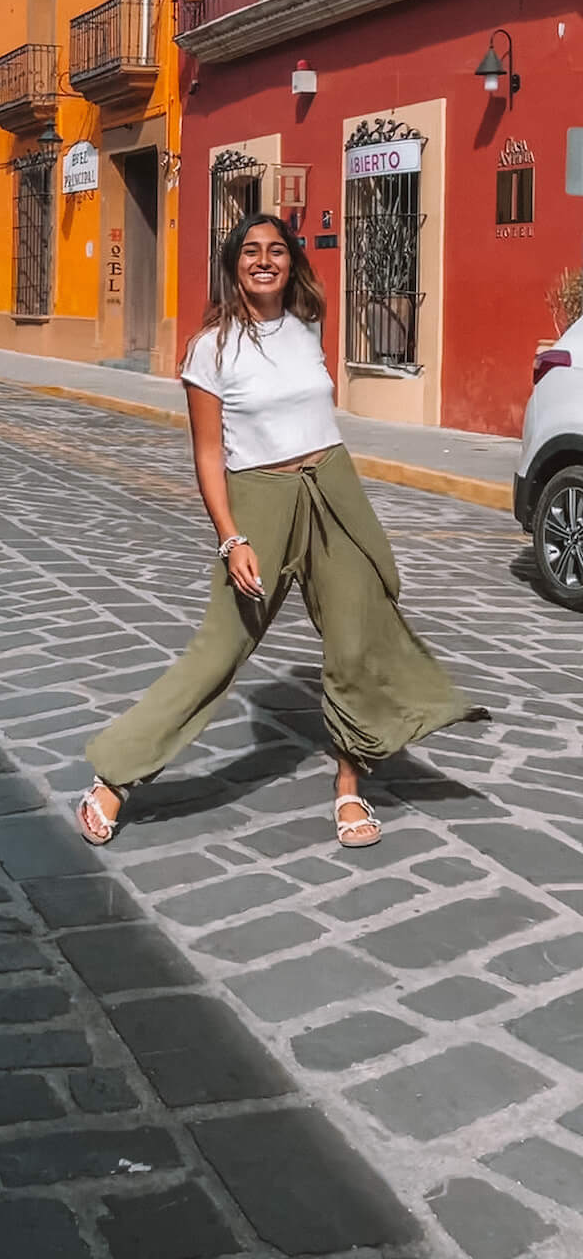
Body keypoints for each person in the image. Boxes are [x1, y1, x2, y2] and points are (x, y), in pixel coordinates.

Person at [77, 212, 479, 851]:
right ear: (233, 265)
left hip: (333, 485)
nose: (265, 260)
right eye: (251, 252)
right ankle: (116, 773)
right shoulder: (210, 349)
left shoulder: (307, 328)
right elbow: (208, 455)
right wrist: (231, 537)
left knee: (353, 640)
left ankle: (350, 785)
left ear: (292, 263)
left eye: (277, 251)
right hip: (260, 499)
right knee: (221, 648)